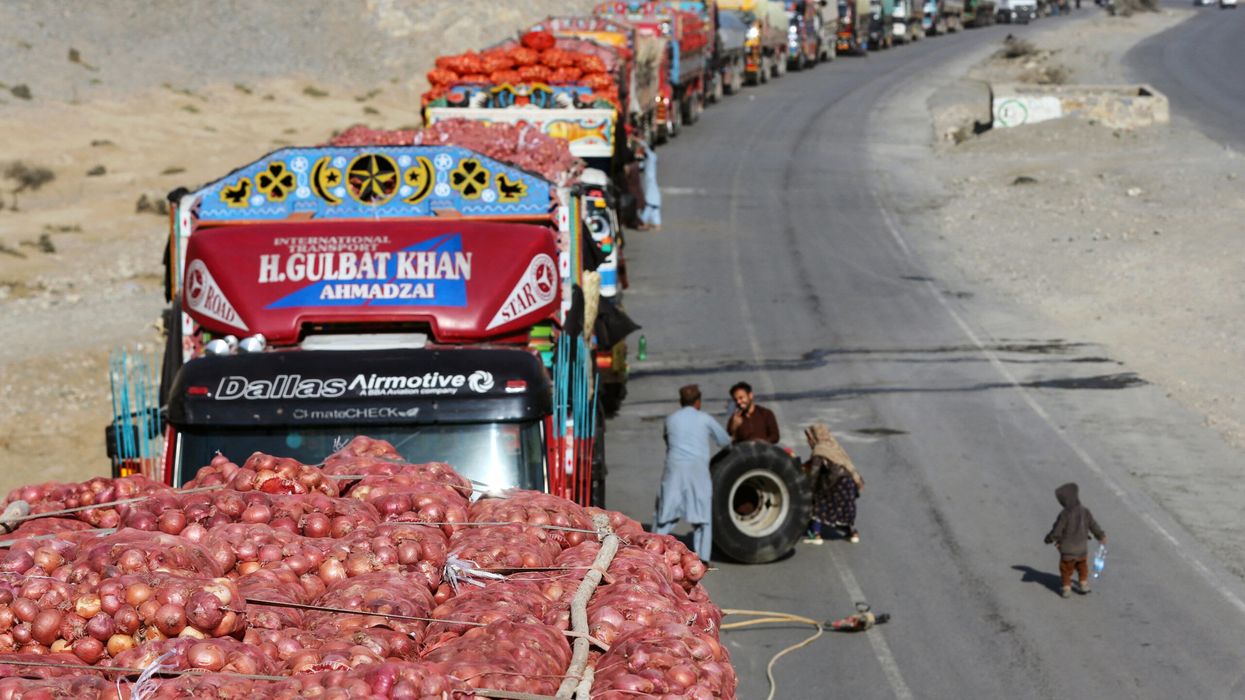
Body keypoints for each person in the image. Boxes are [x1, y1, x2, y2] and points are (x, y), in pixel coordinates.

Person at [655, 384, 730, 562]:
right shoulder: (705, 419)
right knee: (702, 517)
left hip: (674, 469)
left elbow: (667, 440)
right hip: (698, 471)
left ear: (681, 402)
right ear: (698, 402)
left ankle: (654, 553)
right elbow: (725, 441)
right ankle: (702, 558)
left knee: (665, 513)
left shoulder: (671, 419)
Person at [802, 424, 864, 544]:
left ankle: (815, 534)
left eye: (809, 438)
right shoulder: (834, 445)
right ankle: (852, 533)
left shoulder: (819, 449)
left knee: (818, 503)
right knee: (845, 508)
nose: (808, 441)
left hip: (835, 483)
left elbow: (814, 473)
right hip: (849, 483)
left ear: (815, 437)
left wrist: (809, 489)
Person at [1044, 482, 1106, 598]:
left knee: (1066, 569)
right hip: (1082, 549)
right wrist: (1101, 536)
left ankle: (1067, 587)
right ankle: (1083, 584)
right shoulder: (1085, 511)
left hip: (1067, 550)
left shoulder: (1064, 514)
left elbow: (1057, 531)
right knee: (1082, 566)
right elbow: (1093, 525)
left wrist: (1049, 539)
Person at [635, 139, 661, 231]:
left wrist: (635, 139)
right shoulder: (647, 159)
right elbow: (640, 166)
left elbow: (645, 147)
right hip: (650, 183)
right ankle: (657, 224)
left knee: (649, 204)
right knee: (654, 207)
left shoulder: (652, 156)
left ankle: (642, 221)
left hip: (651, 183)